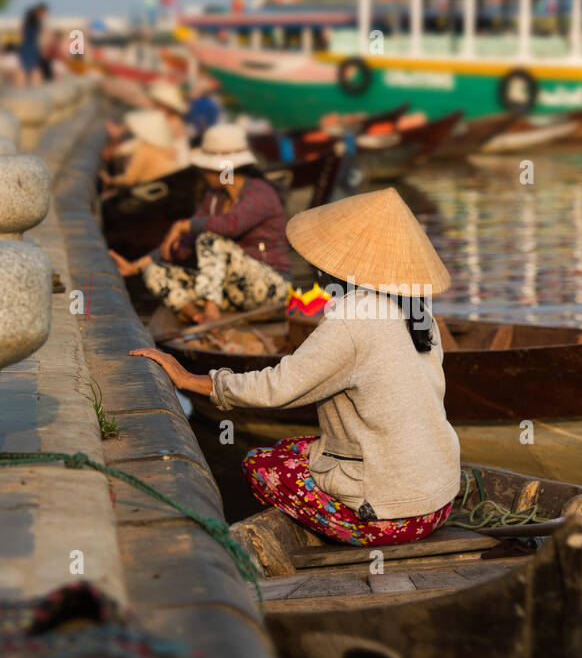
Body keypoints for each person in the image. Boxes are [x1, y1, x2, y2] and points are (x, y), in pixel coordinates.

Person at [130, 187, 461, 548]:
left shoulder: (354, 319)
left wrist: (194, 381)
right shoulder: (418, 313)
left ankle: (337, 533)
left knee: (261, 464)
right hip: (440, 500)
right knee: (296, 448)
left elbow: (281, 387)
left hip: (390, 516)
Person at [109, 123, 290, 325]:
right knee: (154, 272)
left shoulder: (261, 193)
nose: (203, 173)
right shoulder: (214, 198)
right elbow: (183, 244)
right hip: (228, 292)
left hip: (272, 289)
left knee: (210, 238)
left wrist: (182, 225)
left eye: (206, 168)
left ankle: (211, 311)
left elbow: (230, 225)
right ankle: (197, 316)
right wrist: (136, 266)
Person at [19, 3, 47, 86]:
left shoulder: (27, 22)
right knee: (35, 68)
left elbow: (21, 35)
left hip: (25, 46)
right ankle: (36, 88)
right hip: (32, 47)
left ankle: (21, 87)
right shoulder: (37, 23)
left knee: (23, 68)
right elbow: (42, 38)